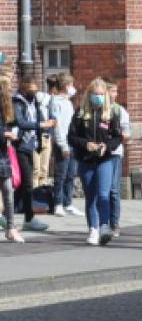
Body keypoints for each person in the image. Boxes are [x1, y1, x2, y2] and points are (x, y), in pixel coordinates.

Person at [68, 77, 122, 246]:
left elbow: (117, 137)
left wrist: (107, 146)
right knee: (90, 196)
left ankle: (104, 225)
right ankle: (93, 228)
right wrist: (86, 145)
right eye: (94, 94)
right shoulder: (80, 113)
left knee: (103, 194)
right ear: (89, 94)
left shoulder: (111, 113)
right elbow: (71, 137)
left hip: (105, 159)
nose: (97, 97)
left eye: (100, 94)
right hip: (86, 159)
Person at [13, 76, 56, 232]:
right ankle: (24, 217)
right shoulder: (17, 102)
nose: (34, 92)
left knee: (26, 183)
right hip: (19, 145)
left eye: (36, 89)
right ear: (24, 88)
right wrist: (40, 125)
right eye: (32, 89)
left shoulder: (33, 102)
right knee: (23, 183)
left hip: (30, 145)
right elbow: (21, 122)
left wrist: (47, 125)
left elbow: (40, 118)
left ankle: (27, 217)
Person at [49, 72, 82, 218]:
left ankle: (68, 203)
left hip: (72, 142)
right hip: (63, 142)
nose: (73, 88)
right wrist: (63, 145)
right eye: (71, 85)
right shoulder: (55, 102)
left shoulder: (67, 101)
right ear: (66, 86)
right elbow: (58, 126)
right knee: (61, 174)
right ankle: (58, 204)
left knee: (71, 174)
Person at [0, 77, 24, 242]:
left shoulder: (7, 107)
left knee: (8, 190)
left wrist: (13, 134)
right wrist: (3, 134)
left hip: (2, 154)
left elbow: (17, 124)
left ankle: (11, 227)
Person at [105, 80, 130, 237]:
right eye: (112, 91)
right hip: (100, 154)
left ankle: (114, 223)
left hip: (114, 153)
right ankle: (102, 223)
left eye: (115, 91)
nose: (115, 94)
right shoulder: (96, 110)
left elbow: (127, 134)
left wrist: (119, 137)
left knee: (114, 190)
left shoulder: (120, 111)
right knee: (103, 190)